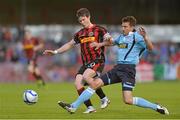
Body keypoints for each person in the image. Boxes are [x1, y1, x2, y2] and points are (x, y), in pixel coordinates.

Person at [58, 16, 169, 115]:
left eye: (125, 26)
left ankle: (156, 107)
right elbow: (112, 43)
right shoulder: (122, 37)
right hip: (118, 68)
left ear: (131, 27)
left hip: (128, 70)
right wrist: (100, 44)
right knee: (95, 84)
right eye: (122, 26)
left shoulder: (137, 37)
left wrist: (146, 38)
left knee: (128, 100)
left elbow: (150, 48)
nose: (123, 28)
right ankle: (73, 106)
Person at [43, 8, 111, 113]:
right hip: (86, 63)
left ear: (89, 17)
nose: (82, 22)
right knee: (78, 83)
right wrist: (55, 52)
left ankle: (104, 98)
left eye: (83, 19)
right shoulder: (80, 33)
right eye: (80, 21)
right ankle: (90, 107)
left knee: (86, 77)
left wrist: (108, 38)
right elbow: (69, 44)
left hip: (98, 60)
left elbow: (109, 41)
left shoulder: (99, 29)